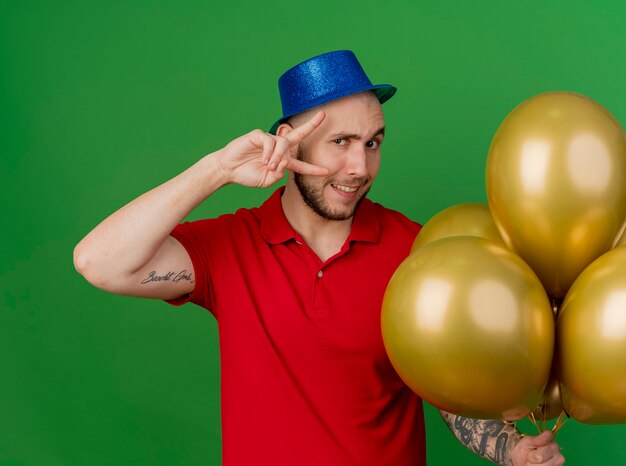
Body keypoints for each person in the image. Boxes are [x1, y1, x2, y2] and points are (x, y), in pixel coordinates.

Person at [74, 50, 565, 466]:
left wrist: (512, 451)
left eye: (373, 142)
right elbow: (100, 262)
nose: (360, 167)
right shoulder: (230, 246)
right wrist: (217, 169)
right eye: (341, 142)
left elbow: (447, 385)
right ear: (290, 140)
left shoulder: (416, 250)